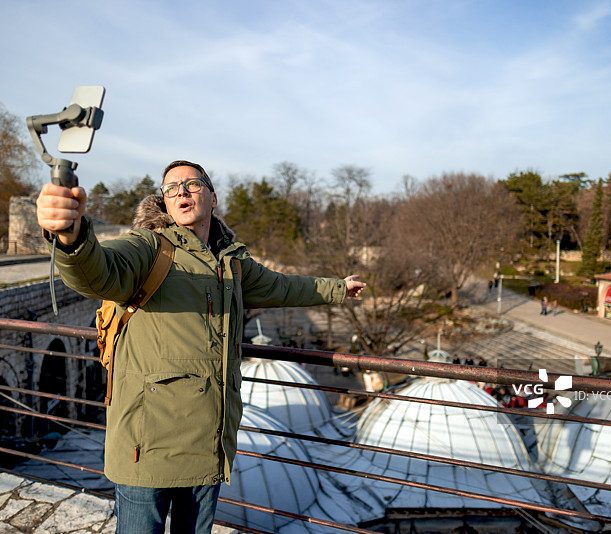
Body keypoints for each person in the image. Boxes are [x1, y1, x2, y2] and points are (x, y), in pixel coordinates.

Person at [36, 159, 366, 534]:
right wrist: (71, 236)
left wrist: (338, 288)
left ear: (212, 197)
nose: (180, 192)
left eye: (191, 184)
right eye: (171, 188)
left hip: (207, 442)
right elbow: (99, 271)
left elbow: (283, 286)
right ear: (163, 202)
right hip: (147, 443)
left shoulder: (232, 263)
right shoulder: (149, 248)